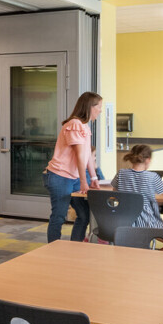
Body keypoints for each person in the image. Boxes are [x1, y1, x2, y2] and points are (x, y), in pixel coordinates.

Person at [42, 92, 106, 243]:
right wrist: (84, 181)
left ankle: (75, 247)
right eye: (99, 107)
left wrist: (94, 177)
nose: (101, 110)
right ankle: (52, 249)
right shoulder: (75, 124)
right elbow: (79, 155)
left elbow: (88, 155)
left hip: (74, 177)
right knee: (59, 215)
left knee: (84, 215)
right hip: (59, 176)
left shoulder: (85, 126)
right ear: (90, 107)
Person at [110, 143, 163, 231]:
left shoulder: (121, 173)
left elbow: (115, 193)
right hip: (146, 223)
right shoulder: (152, 176)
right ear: (148, 160)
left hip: (123, 221)